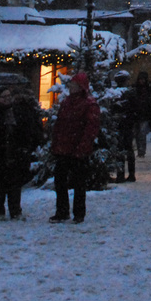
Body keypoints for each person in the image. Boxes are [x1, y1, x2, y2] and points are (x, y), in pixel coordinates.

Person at [0, 85, 43, 221]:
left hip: (15, 153)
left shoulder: (18, 112)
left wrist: (24, 146)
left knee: (14, 185)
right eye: (4, 97)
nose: (7, 99)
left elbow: (27, 131)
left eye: (9, 96)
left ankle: (15, 210)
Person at [50, 71, 100, 223]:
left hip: (77, 149)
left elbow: (91, 128)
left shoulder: (89, 104)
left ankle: (78, 213)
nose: (70, 86)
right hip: (64, 148)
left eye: (73, 84)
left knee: (78, 182)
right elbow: (60, 125)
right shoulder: (67, 102)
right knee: (60, 180)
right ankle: (62, 211)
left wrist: (83, 147)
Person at [111, 70, 138, 182]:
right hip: (127, 124)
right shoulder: (130, 93)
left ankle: (121, 174)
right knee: (128, 149)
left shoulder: (115, 93)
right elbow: (135, 108)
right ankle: (130, 173)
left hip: (121, 124)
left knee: (121, 149)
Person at [133, 70, 151, 158]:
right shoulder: (142, 89)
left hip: (143, 113)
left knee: (141, 133)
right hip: (139, 113)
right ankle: (140, 150)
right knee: (139, 133)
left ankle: (141, 151)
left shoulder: (145, 89)